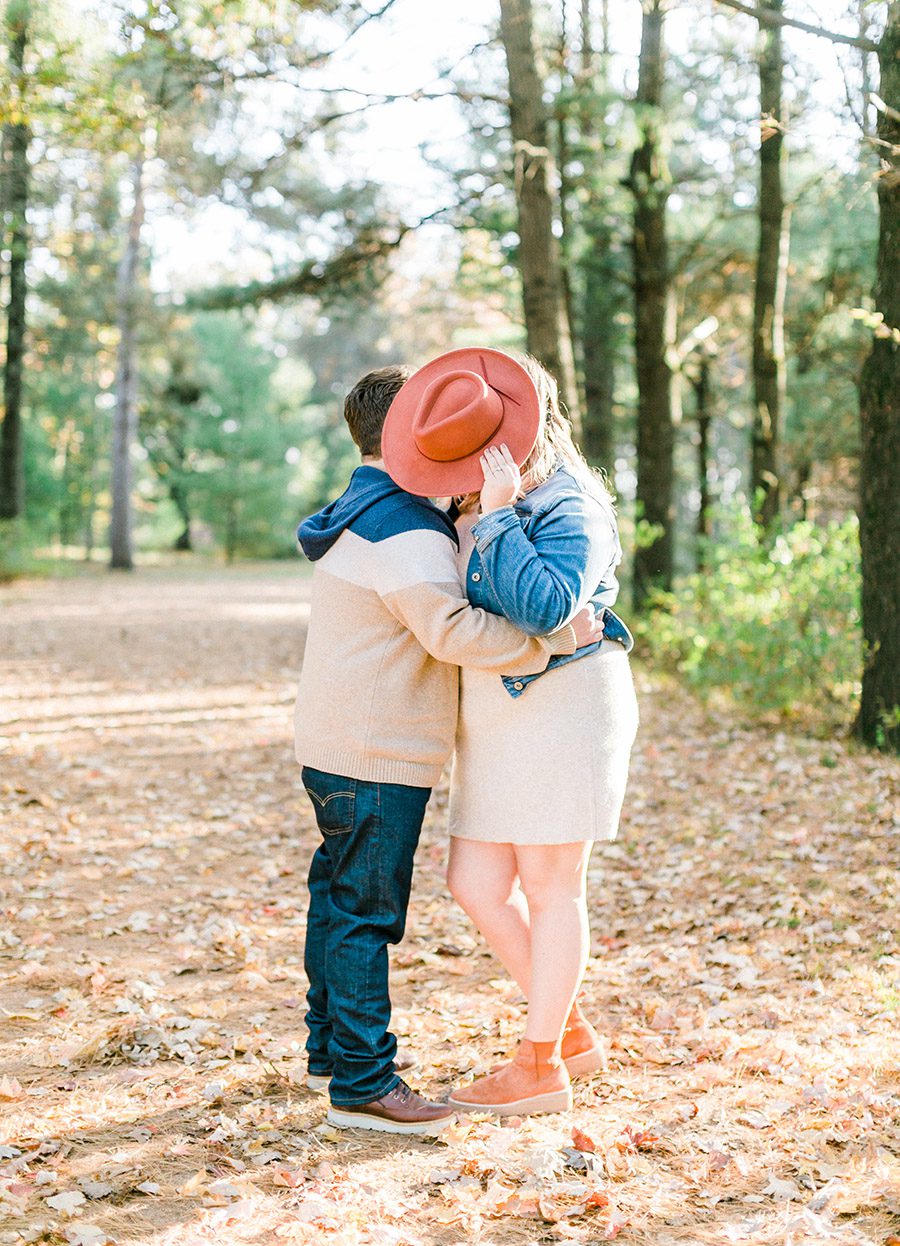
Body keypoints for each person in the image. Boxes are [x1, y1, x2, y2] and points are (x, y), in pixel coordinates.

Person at [293, 364, 603, 1135]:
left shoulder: (354, 510)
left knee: (336, 899)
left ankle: (330, 1049)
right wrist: (551, 642)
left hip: (338, 743)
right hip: (377, 750)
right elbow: (453, 631)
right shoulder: (402, 525)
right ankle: (365, 1080)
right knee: (367, 913)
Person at [381, 350, 638, 1116]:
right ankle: (569, 1030)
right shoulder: (469, 499)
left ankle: (538, 1065)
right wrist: (477, 509)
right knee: (475, 883)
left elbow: (547, 609)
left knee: (552, 886)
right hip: (496, 712)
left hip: (565, 704)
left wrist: (495, 515)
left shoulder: (570, 503)